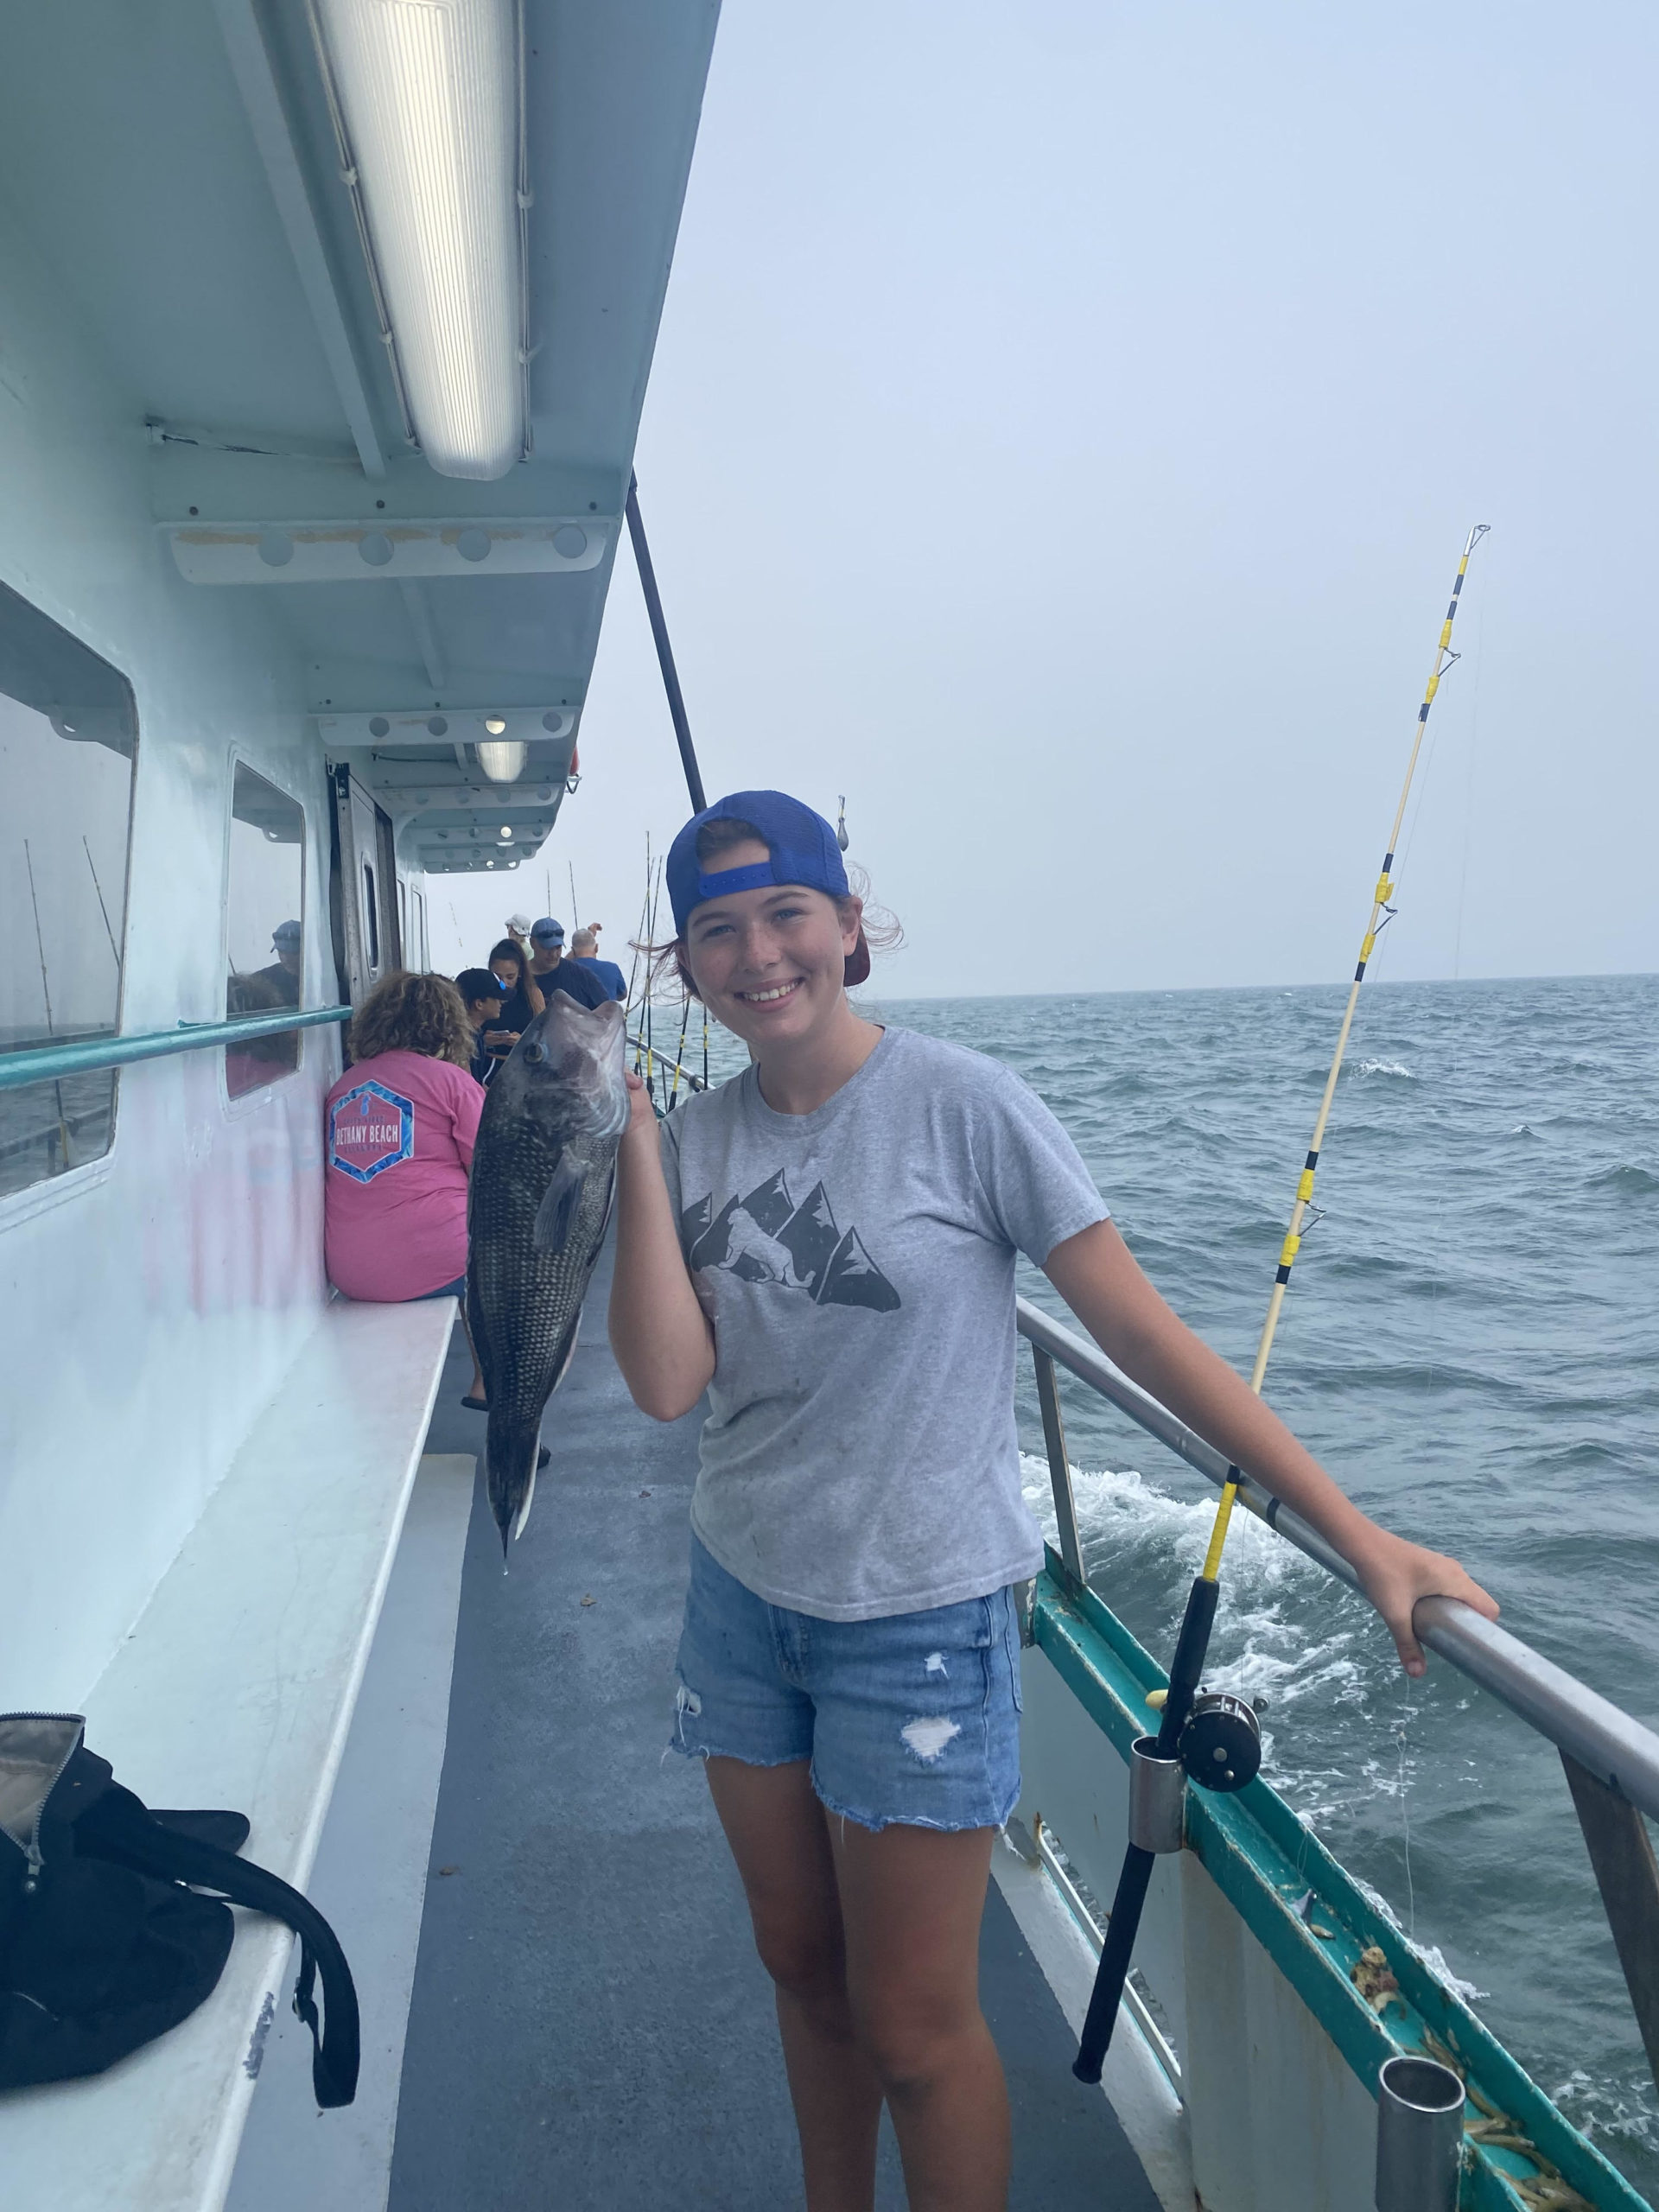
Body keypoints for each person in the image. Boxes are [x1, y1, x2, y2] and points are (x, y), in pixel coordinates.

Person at [607, 790, 1500, 2212]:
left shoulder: (966, 1106)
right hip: (741, 1604)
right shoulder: (690, 1139)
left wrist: (1359, 1534)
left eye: (787, 914)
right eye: (718, 930)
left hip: (919, 1623)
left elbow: (1141, 1334)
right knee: (801, 1970)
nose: (758, 954)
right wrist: (635, 1155)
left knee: (914, 2030)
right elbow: (665, 1384)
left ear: (849, 923)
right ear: (683, 962)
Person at [322, 970, 488, 1405]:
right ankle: (489, 1377)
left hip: (352, 1270)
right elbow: (489, 1169)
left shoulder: (343, 1087)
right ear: (448, 1025)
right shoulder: (452, 1082)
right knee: (497, 1250)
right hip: (436, 1261)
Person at [524, 915, 612, 1011]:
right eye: (547, 948)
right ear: (532, 943)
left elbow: (608, 1011)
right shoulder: (518, 976)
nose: (553, 954)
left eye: (558, 947)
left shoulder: (582, 976)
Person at [455, 966, 510, 1084]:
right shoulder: (461, 1042)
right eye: (496, 998)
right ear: (479, 1004)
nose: (501, 1002)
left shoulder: (475, 1034)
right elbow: (468, 1085)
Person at [487, 935, 544, 1046]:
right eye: (497, 977)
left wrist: (523, 1042)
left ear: (520, 973)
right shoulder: (484, 994)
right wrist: (483, 1042)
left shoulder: (532, 994)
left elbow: (544, 1035)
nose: (503, 983)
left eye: (510, 977)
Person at [569, 925, 626, 1001]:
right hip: (607, 1009)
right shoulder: (612, 968)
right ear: (596, 948)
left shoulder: (565, 970)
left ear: (572, 950)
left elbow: (560, 963)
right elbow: (623, 995)